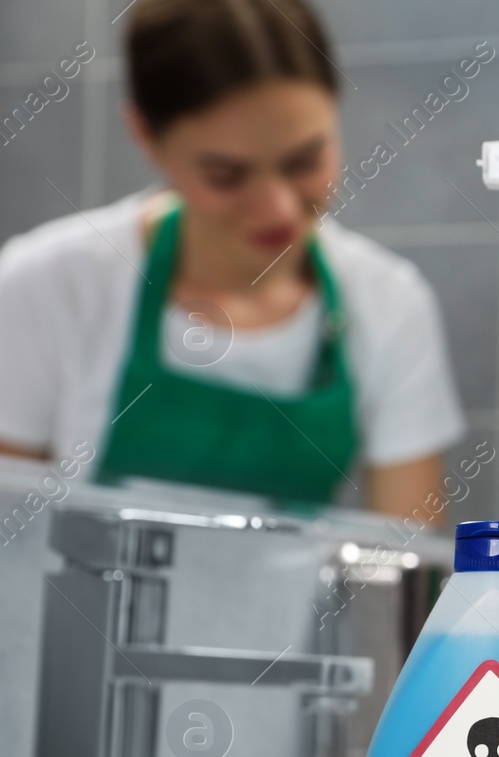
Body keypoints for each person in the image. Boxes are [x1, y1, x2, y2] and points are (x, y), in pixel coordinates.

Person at [0, 0, 464, 514]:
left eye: (304, 160)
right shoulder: (46, 285)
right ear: (146, 136)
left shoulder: (389, 303)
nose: (278, 207)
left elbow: (410, 553)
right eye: (227, 175)